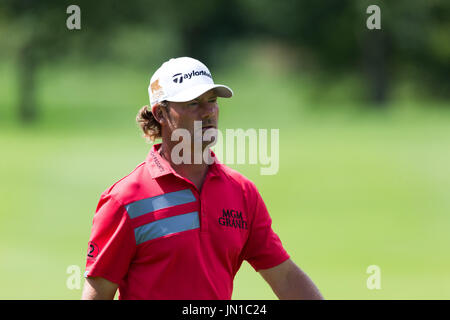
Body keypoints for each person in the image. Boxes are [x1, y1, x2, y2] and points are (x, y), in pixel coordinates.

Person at [81, 57, 323, 300]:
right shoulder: (125, 199)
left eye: (212, 101)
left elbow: (285, 277)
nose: (208, 111)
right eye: (194, 103)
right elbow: (98, 293)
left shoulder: (241, 192)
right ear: (161, 113)